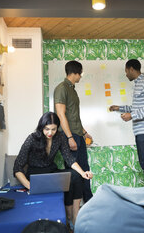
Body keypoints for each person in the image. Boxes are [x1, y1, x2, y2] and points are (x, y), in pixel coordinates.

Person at [13, 112, 93, 229]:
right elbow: (17, 167)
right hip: (36, 175)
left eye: (53, 129)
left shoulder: (59, 137)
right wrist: (29, 185)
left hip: (51, 171)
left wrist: (83, 173)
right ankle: (68, 217)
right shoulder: (32, 138)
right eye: (47, 129)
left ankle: (74, 217)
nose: (50, 133)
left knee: (76, 176)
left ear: (57, 128)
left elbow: (69, 158)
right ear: (41, 127)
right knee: (70, 179)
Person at [109, 59, 144, 186]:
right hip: (141, 130)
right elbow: (137, 108)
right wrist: (119, 108)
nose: (126, 75)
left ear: (131, 69)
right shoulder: (139, 83)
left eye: (126, 71)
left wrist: (132, 115)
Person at [54, 60, 94, 202]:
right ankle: (72, 206)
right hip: (69, 136)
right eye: (80, 74)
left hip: (78, 135)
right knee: (74, 173)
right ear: (75, 73)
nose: (81, 77)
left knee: (85, 169)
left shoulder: (72, 89)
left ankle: (89, 201)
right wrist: (70, 137)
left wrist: (84, 133)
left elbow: (74, 116)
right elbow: (61, 114)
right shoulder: (62, 88)